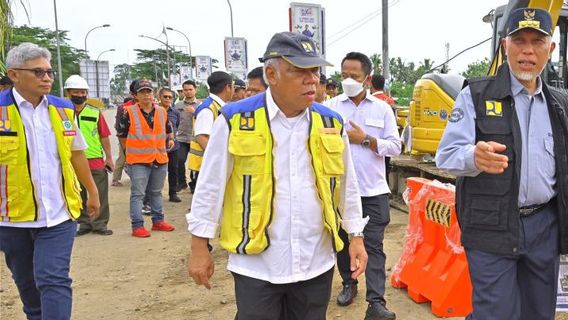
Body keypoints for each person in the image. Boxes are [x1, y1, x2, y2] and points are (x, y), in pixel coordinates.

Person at [187, 31, 368, 320]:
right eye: (300, 71)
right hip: (257, 265)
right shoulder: (236, 120)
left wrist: (356, 237)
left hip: (315, 261)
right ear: (271, 74)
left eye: (315, 71)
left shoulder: (331, 122)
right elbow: (210, 186)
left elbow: (347, 186)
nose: (313, 79)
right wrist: (199, 246)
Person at [435, 8, 568, 320]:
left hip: (543, 226)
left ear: (550, 49)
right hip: (491, 224)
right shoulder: (476, 96)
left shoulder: (560, 104)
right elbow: (446, 155)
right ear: (505, 46)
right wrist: (473, 157)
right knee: (496, 313)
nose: (527, 50)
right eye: (519, 40)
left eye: (537, 41)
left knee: (539, 312)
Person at [0, 42, 100, 319]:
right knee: (27, 284)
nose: (46, 78)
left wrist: (91, 192)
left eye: (50, 72)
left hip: (58, 214)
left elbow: (76, 154)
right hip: (11, 218)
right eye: (38, 72)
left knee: (53, 278)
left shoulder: (63, 109)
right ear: (14, 75)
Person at [325, 52, 400, 320]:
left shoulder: (382, 109)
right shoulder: (331, 107)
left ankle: (376, 302)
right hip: (340, 193)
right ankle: (349, 283)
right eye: (344, 75)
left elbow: (395, 146)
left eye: (354, 76)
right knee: (343, 242)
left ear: (367, 79)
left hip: (373, 190)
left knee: (375, 246)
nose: (348, 80)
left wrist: (365, 139)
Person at [116, 79, 176, 237]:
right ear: (135, 95)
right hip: (138, 161)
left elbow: (168, 130)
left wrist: (170, 140)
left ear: (153, 93)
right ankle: (137, 226)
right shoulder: (128, 112)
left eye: (149, 91)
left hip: (159, 158)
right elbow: (122, 136)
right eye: (142, 92)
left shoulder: (162, 111)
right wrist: (129, 152)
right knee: (138, 194)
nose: (146, 95)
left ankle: (158, 221)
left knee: (156, 192)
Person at [64, 75, 114, 236]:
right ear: (68, 93)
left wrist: (109, 157)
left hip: (94, 159)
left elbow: (104, 136)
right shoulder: (62, 113)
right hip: (70, 161)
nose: (79, 95)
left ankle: (99, 224)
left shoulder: (95, 113)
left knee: (99, 192)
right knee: (78, 193)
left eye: (82, 92)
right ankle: (84, 223)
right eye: (76, 92)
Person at [187, 71, 234, 197]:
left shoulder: (217, 106)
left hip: (209, 164)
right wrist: (217, 159)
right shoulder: (208, 108)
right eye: (233, 86)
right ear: (228, 87)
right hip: (205, 165)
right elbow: (201, 137)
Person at [174, 79, 200, 193]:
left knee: (195, 164)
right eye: (185, 90)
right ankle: (182, 182)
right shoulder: (178, 105)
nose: (188, 92)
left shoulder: (201, 105)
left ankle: (194, 184)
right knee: (179, 160)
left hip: (196, 139)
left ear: (195, 90)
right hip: (181, 138)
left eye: (190, 89)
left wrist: (195, 112)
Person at [112, 80, 138, 187]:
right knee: (122, 158)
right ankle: (115, 179)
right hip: (126, 139)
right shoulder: (124, 108)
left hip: (143, 141)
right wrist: (124, 144)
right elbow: (119, 126)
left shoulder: (152, 107)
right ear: (133, 94)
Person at [158, 87, 182, 202]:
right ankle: (155, 195)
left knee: (173, 169)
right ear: (160, 97)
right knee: (158, 172)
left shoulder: (175, 112)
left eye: (170, 97)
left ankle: (173, 193)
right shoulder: (154, 110)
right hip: (157, 147)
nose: (168, 99)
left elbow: (176, 125)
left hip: (173, 146)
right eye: (165, 97)